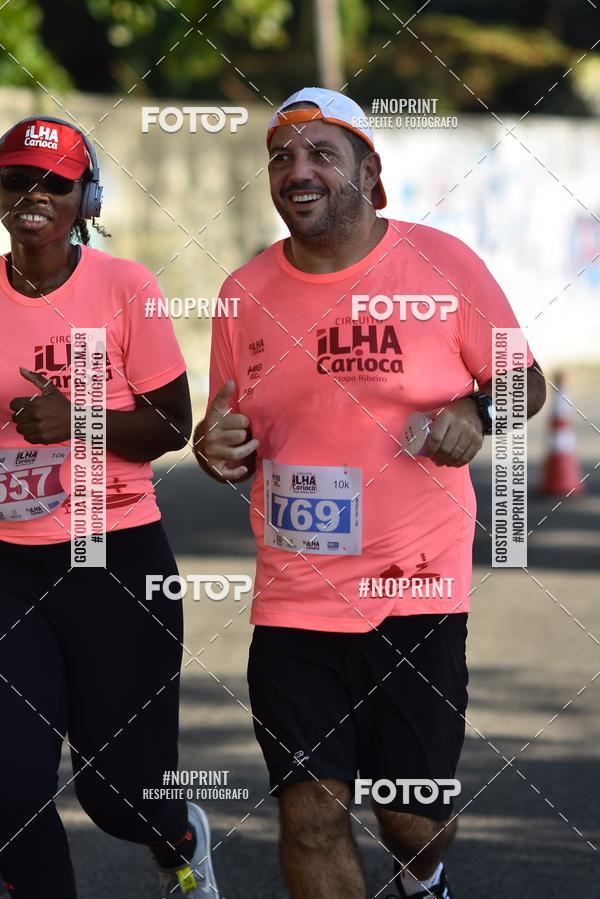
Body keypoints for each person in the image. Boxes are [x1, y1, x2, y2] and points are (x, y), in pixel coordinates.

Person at [193, 87, 547, 899]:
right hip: (293, 602)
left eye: (321, 152)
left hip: (416, 590)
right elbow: (225, 435)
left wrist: (476, 407)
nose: (297, 170)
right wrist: (213, 449)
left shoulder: (443, 265)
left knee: (408, 813)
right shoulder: (242, 293)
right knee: (310, 814)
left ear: (368, 172)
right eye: (281, 157)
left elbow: (523, 383)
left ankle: (425, 878)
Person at [0, 116, 219, 898]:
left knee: (119, 793)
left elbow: (170, 424)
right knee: (10, 788)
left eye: (54, 182)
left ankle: (181, 835)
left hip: (116, 560)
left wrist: (78, 419)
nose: (33, 196)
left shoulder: (127, 288)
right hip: (9, 567)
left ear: (85, 197)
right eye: (16, 179)